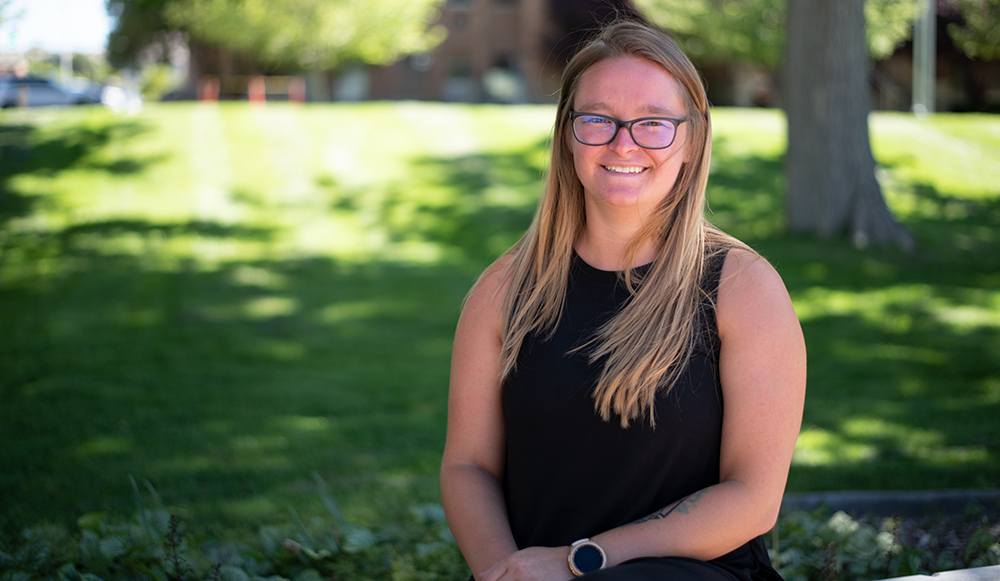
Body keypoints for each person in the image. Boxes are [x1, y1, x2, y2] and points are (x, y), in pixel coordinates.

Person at [440, 18, 806, 581]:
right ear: (567, 134)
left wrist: (578, 562)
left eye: (653, 123)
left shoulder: (742, 288)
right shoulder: (504, 290)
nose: (623, 143)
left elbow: (753, 498)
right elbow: (468, 466)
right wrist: (505, 573)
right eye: (598, 119)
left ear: (692, 141)